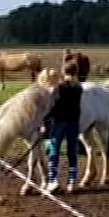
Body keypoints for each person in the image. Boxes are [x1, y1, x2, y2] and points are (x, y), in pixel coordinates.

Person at [43, 61, 86, 192]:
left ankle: (52, 180)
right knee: (72, 152)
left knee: (53, 152)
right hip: (74, 123)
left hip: (59, 123)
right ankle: (72, 181)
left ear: (63, 72)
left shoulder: (59, 87)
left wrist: (45, 121)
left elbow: (53, 107)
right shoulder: (79, 88)